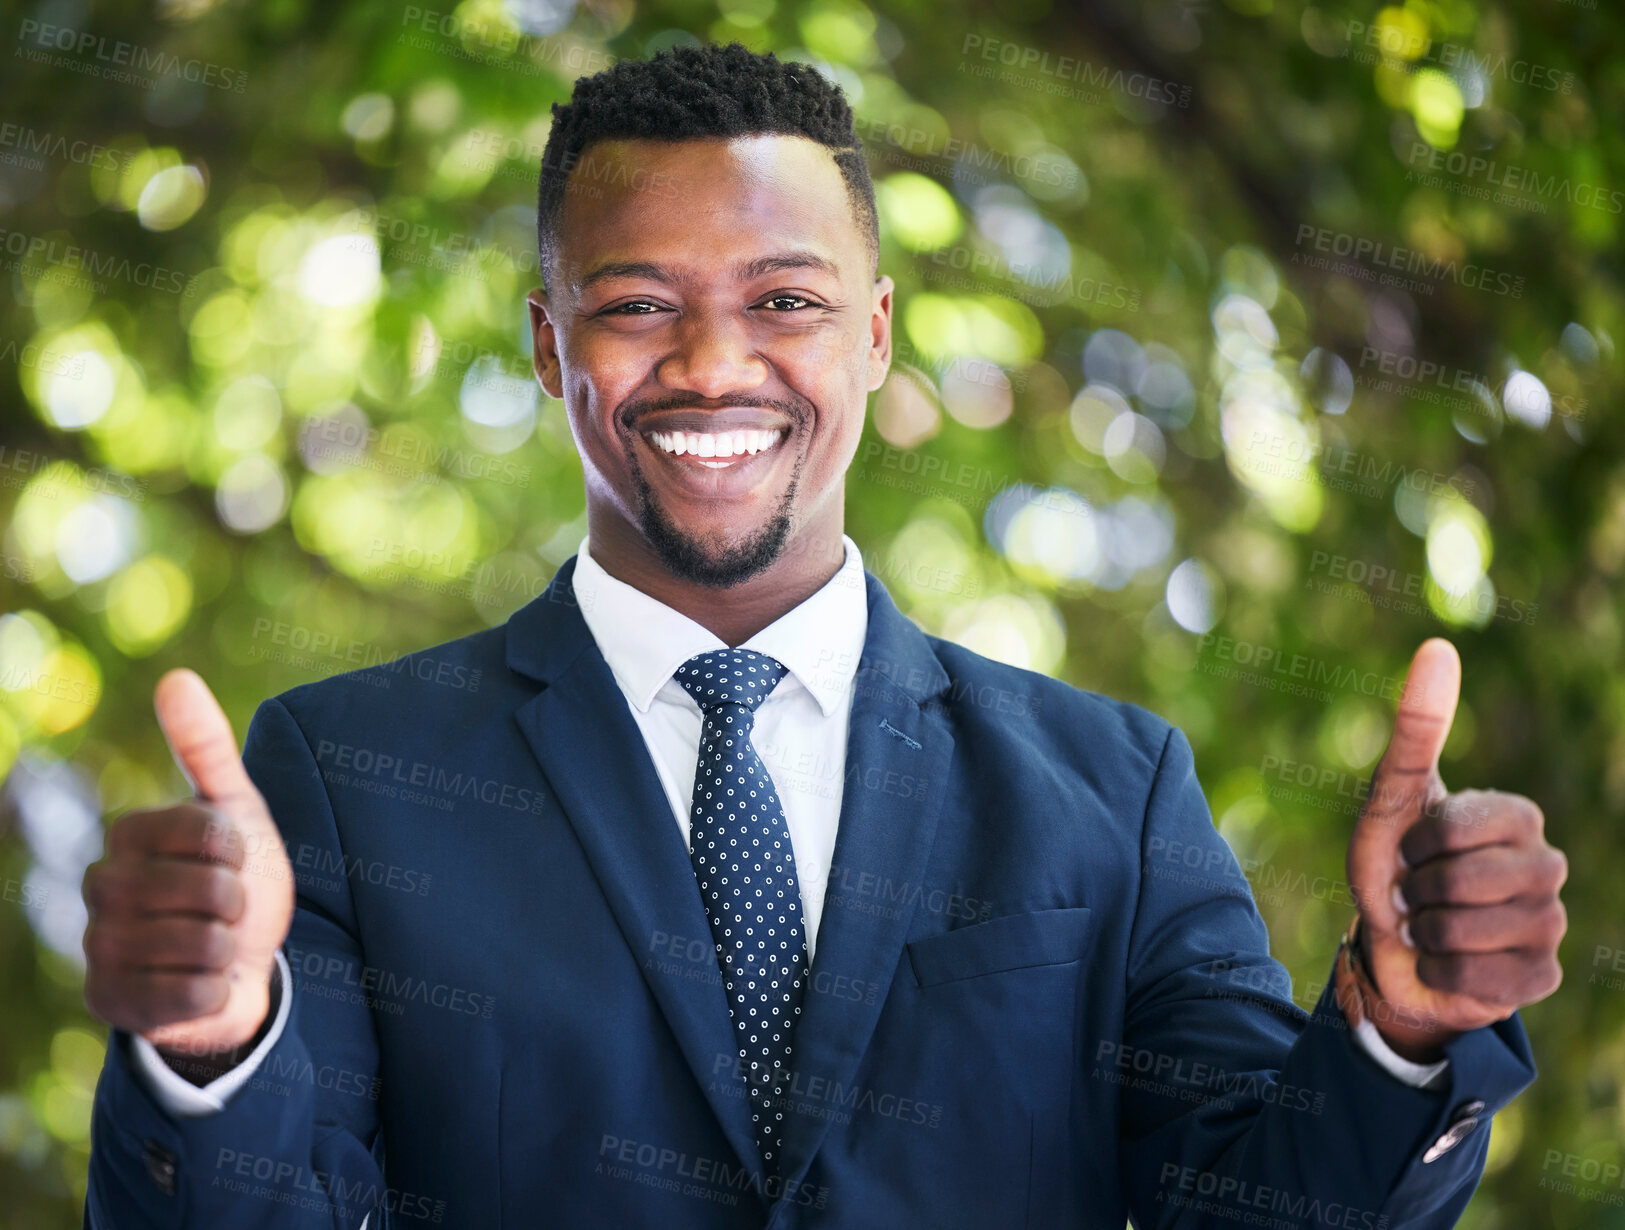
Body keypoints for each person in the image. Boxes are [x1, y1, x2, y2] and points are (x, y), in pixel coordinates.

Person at [81, 42, 1567, 1229]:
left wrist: (1400, 1026)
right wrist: (217, 1050)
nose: (712, 362)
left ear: (873, 331)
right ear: (548, 344)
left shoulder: (1113, 789)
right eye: (635, 304)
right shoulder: (348, 773)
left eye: (783, 298)